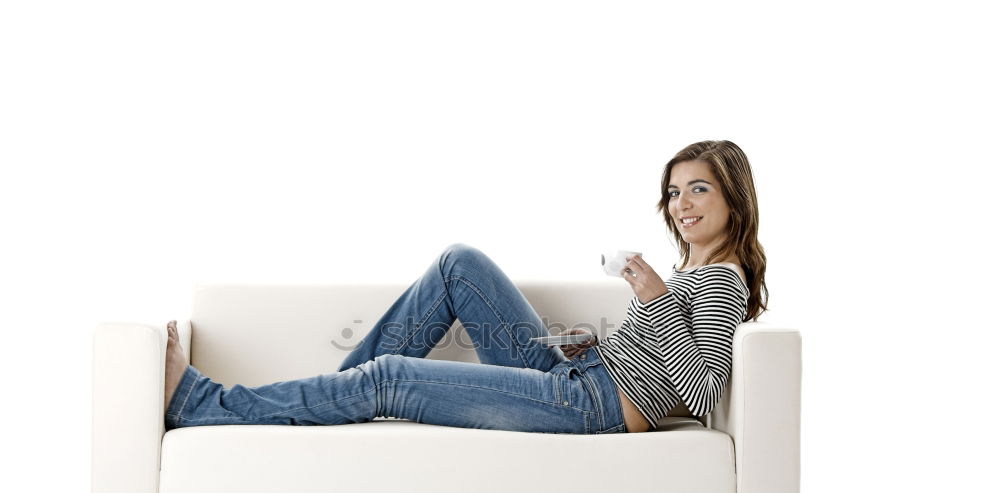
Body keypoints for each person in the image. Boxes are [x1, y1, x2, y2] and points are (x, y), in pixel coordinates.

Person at [163, 139, 768, 435]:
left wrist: (657, 301)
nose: (681, 204)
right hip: (576, 375)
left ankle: (204, 404)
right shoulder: (695, 269)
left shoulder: (723, 277)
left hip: (591, 406)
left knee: (390, 378)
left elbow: (703, 394)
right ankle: (330, 402)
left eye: (698, 189)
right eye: (674, 190)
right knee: (460, 264)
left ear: (731, 198)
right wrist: (599, 342)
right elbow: (659, 357)